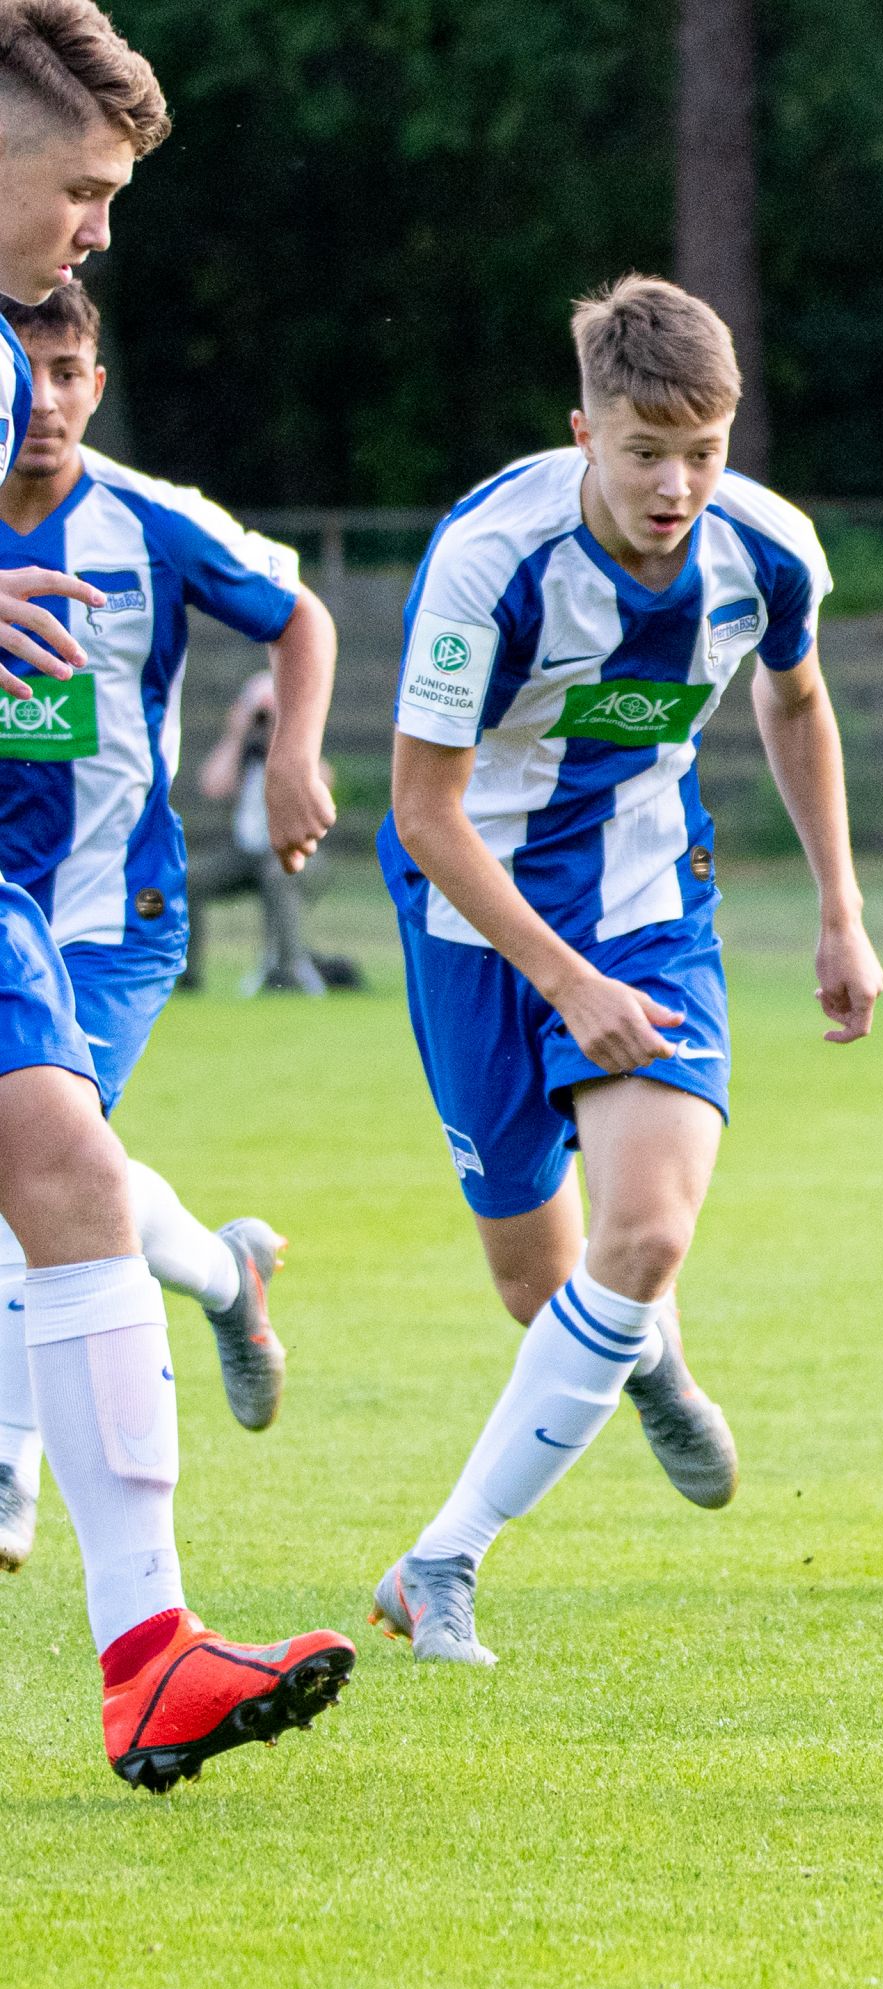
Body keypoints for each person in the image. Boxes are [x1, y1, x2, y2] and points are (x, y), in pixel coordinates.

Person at [369, 274, 881, 1667]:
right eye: (645, 450)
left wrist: (840, 905)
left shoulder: (768, 551)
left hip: (651, 900)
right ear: (583, 427)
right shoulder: (490, 560)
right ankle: (651, 1362)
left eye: (703, 453)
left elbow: (796, 698)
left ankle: (442, 1563)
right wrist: (562, 983)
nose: (676, 485)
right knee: (551, 1293)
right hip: (473, 917)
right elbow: (425, 810)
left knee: (645, 1234)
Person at [0, 0, 354, 1791]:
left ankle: (149, 1653)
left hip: (68, 903)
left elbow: (294, 609)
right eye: (83, 186)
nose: (100, 233)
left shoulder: (4, 375)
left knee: (67, 1175)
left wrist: (292, 755)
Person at [0, 280, 336, 1569]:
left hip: (107, 916)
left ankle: (12, 1471)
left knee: (34, 1161)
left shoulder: (151, 524)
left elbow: (299, 613)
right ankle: (220, 1271)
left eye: (71, 370)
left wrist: (296, 755)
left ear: (95, 381)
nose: (46, 399)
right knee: (49, 1168)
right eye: (24, 372)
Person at [190, 665, 356, 994]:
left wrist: (285, 738)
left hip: (295, 852)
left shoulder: (300, 748)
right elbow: (212, 785)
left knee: (278, 876)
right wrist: (237, 734)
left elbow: (323, 781)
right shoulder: (243, 754)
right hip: (243, 854)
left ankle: (287, 972)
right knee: (185, 880)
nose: (265, 722)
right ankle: (185, 974)